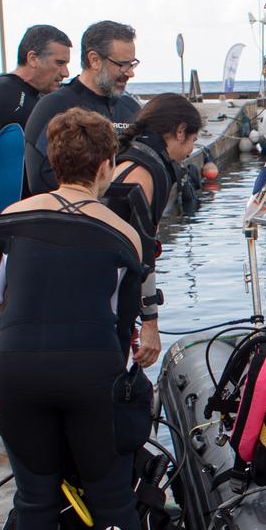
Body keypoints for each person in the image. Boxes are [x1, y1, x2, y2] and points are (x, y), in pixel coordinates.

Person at [0, 108, 175, 530]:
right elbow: (123, 315)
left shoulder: (8, 221)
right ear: (107, 164)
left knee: (34, 494)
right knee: (109, 493)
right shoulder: (122, 233)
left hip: (19, 370)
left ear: (53, 161)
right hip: (90, 371)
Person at [0, 24, 72, 255]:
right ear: (33, 58)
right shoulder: (0, 93)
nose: (66, 73)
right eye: (60, 63)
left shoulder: (41, 99)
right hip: (0, 233)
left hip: (34, 231)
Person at [103, 94, 203, 367]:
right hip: (112, 293)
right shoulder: (150, 172)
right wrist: (150, 323)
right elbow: (144, 254)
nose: (191, 151)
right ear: (180, 130)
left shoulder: (127, 158)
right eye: (193, 140)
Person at [21, 20, 141, 196]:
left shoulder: (131, 108)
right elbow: (39, 179)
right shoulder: (54, 106)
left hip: (119, 220)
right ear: (94, 60)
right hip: (70, 218)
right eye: (122, 65)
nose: (130, 73)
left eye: (132, 64)